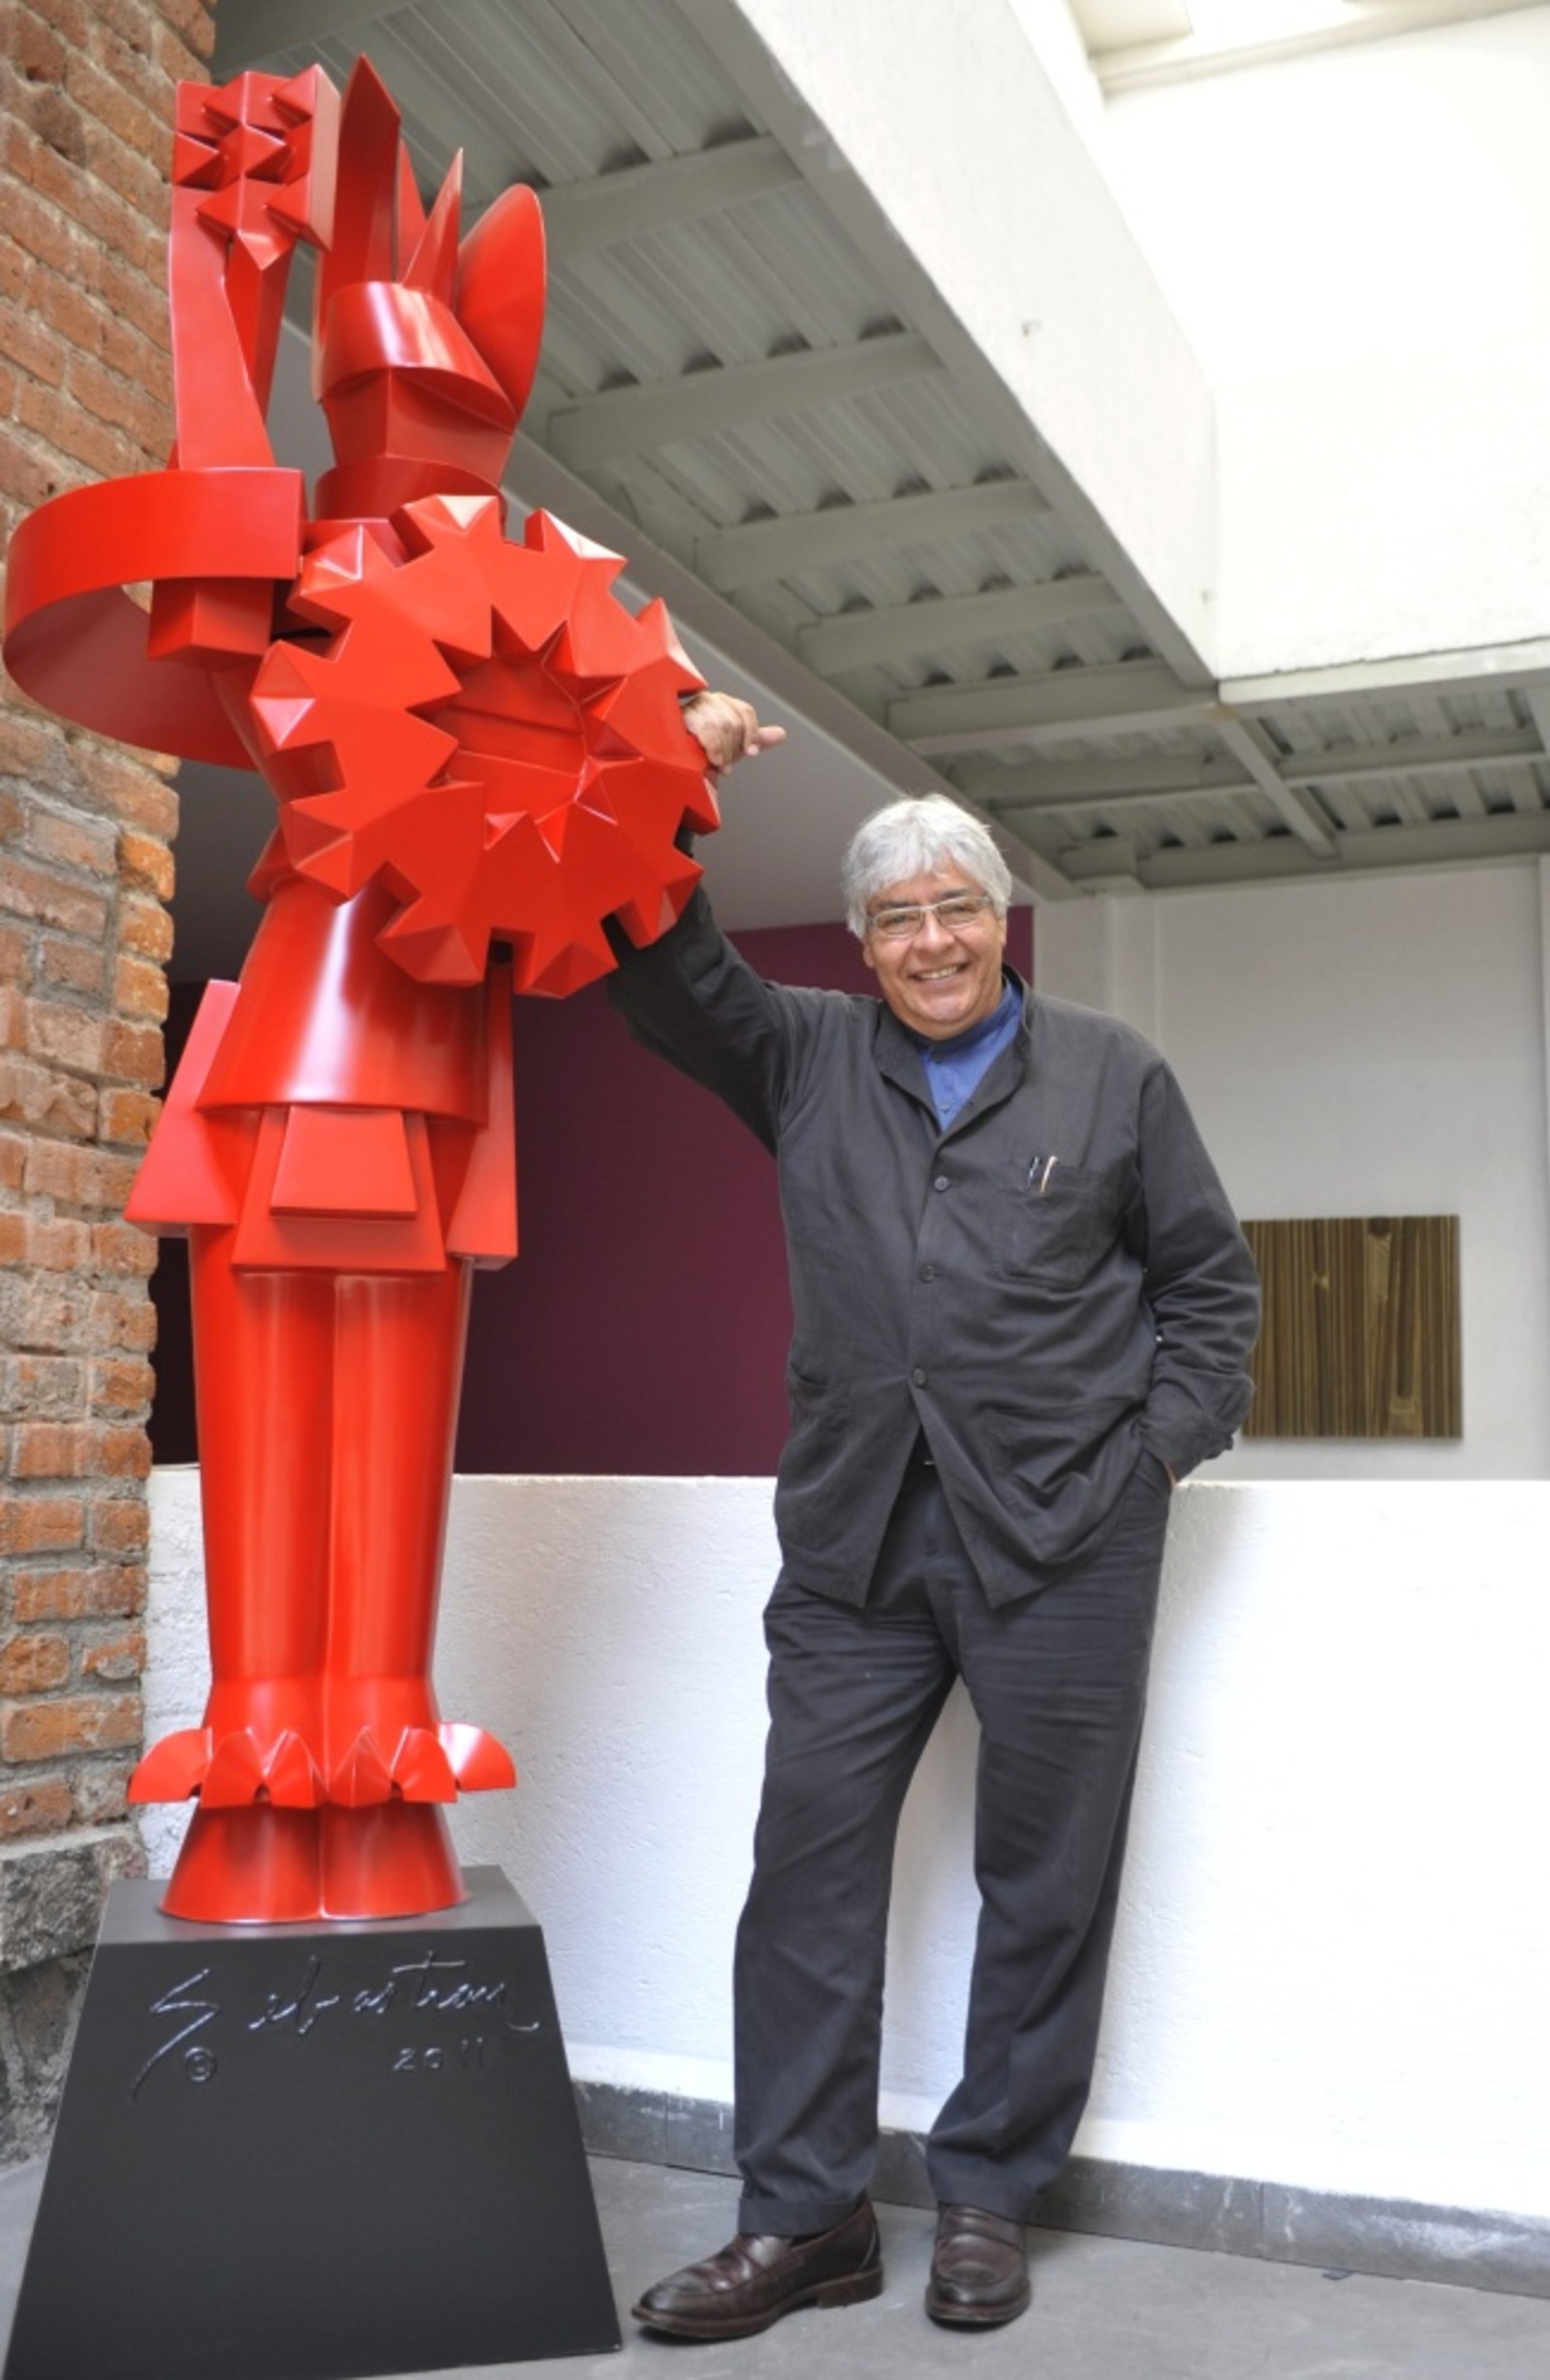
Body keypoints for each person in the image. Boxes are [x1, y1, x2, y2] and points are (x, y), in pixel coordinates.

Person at [610, 692, 1260, 2338]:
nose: (930, 940)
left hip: (1067, 1540)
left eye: (955, 905)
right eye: (895, 917)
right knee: (806, 1872)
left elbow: (1212, 1294)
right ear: (864, 943)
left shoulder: (1112, 1075)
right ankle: (805, 2218)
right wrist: (667, 777)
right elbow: (665, 964)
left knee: (1046, 1882)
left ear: (1000, 914)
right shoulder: (806, 1052)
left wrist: (1149, 1461)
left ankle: (986, 2195)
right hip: (856, 1542)